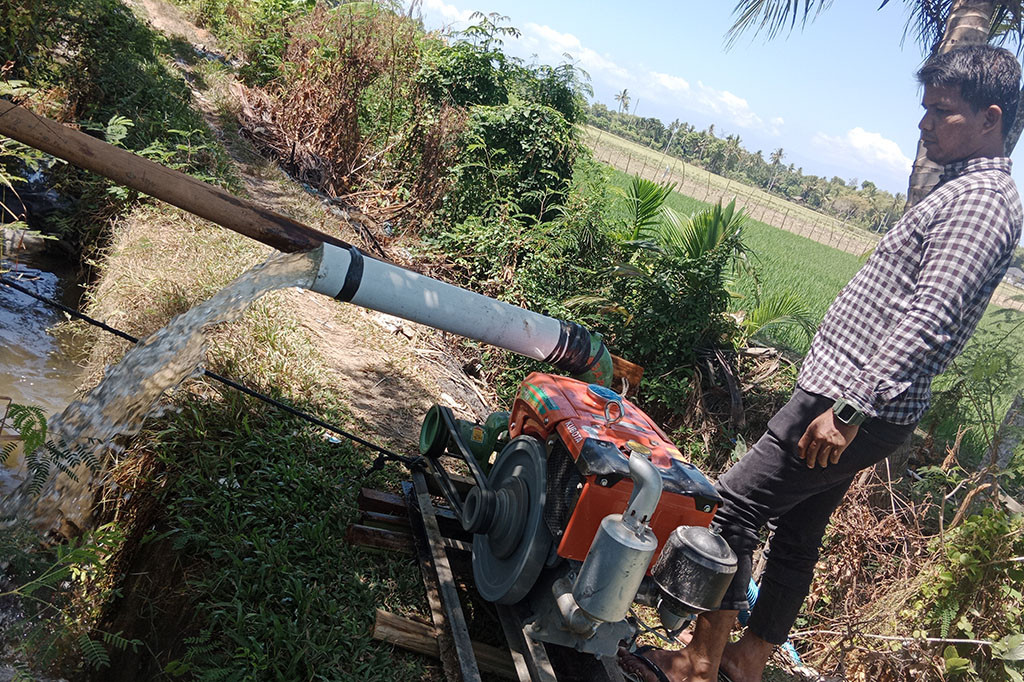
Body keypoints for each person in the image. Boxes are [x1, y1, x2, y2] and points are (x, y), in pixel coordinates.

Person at [619, 44, 1024, 682]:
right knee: (800, 533)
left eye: (940, 112)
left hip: (850, 401)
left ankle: (698, 664)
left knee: (735, 508)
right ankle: (745, 663)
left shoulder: (979, 202)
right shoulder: (970, 193)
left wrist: (849, 410)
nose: (923, 124)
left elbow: (930, 319)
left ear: (990, 119)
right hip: (855, 399)